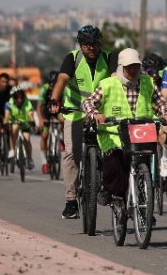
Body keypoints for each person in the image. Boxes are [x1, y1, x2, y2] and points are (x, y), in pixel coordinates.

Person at [82, 48, 167, 206]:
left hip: (140, 131)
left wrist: (166, 113)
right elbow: (88, 102)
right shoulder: (108, 84)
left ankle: (142, 205)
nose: (133, 70)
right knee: (116, 162)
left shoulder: (147, 82)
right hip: (114, 132)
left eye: (136, 67)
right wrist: (95, 114)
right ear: (121, 67)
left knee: (144, 161)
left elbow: (160, 102)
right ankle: (112, 193)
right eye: (129, 67)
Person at [48, 25, 118, 219]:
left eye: (95, 44)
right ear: (80, 45)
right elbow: (62, 79)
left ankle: (111, 188)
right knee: (71, 153)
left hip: (100, 112)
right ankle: (71, 201)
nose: (92, 48)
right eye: (87, 45)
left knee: (115, 149)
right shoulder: (73, 58)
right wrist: (55, 100)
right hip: (75, 112)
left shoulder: (109, 57)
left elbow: (115, 79)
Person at [3, 86, 36, 170]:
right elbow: (6, 116)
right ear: (13, 97)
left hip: (25, 123)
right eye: (16, 97)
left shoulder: (27, 102)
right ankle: (12, 149)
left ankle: (29, 158)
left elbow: (30, 114)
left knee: (27, 138)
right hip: (14, 122)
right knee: (14, 128)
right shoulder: (9, 103)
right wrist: (5, 123)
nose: (19, 99)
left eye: (21, 97)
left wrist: (32, 121)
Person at [37, 71, 62, 174]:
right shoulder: (44, 89)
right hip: (47, 111)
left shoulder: (62, 88)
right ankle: (44, 162)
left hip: (58, 110)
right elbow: (39, 106)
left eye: (54, 83)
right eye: (51, 83)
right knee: (44, 135)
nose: (52, 86)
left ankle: (61, 139)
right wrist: (41, 119)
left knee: (63, 121)